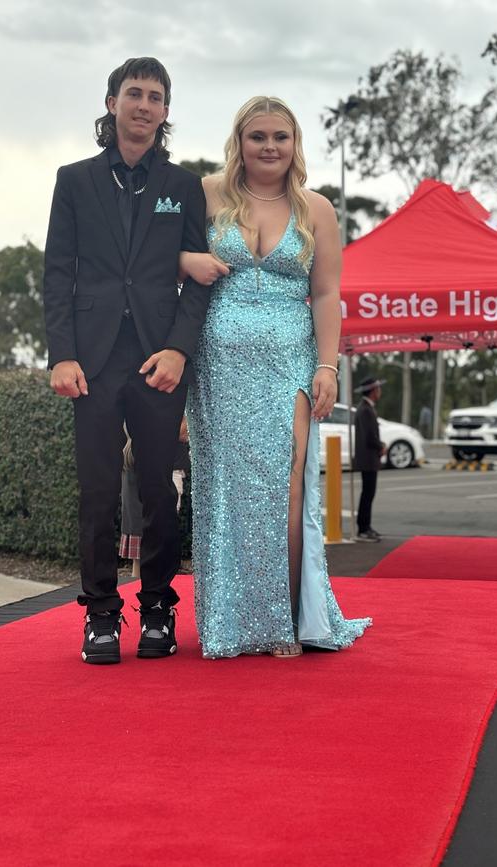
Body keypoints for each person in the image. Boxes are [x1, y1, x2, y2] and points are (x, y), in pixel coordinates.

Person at [179, 96, 372, 658]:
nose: (269, 147)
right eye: (258, 136)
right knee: (226, 490)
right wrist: (183, 263)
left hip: (291, 360)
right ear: (239, 141)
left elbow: (328, 292)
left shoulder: (317, 208)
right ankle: (234, 622)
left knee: (288, 488)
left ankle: (286, 619)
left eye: (280, 137)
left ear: (295, 144)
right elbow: (161, 259)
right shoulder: (208, 194)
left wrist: (328, 365)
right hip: (218, 363)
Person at [43, 57, 210, 664]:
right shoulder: (75, 180)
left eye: (156, 97)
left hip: (158, 359)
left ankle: (160, 607)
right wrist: (62, 354)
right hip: (91, 363)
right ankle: (100, 615)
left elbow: (199, 282)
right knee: (96, 492)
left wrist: (179, 350)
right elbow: (58, 273)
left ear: (166, 112)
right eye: (133, 93)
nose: (144, 105)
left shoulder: (184, 186)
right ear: (112, 101)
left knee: (160, 490)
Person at [119, 417, 190, 580]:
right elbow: (181, 432)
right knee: (159, 531)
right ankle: (153, 587)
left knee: (149, 535)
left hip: (146, 465)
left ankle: (145, 587)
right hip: (163, 469)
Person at [354, 377, 386, 542]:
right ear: (373, 391)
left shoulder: (365, 408)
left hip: (368, 458)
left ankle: (366, 527)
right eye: (378, 389)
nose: (380, 392)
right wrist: (380, 446)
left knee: (368, 493)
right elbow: (369, 437)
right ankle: (363, 528)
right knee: (367, 494)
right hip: (368, 459)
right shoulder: (366, 410)